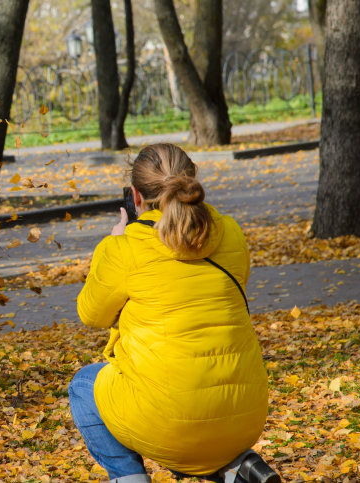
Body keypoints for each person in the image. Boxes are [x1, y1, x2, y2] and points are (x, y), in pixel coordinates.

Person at [69, 144, 280, 483]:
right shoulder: (231, 233)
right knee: (180, 413)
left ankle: (131, 479)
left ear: (135, 196)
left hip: (172, 419)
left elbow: (91, 314)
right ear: (191, 182)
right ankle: (232, 468)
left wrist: (111, 245)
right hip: (246, 415)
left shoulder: (125, 248)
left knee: (83, 385)